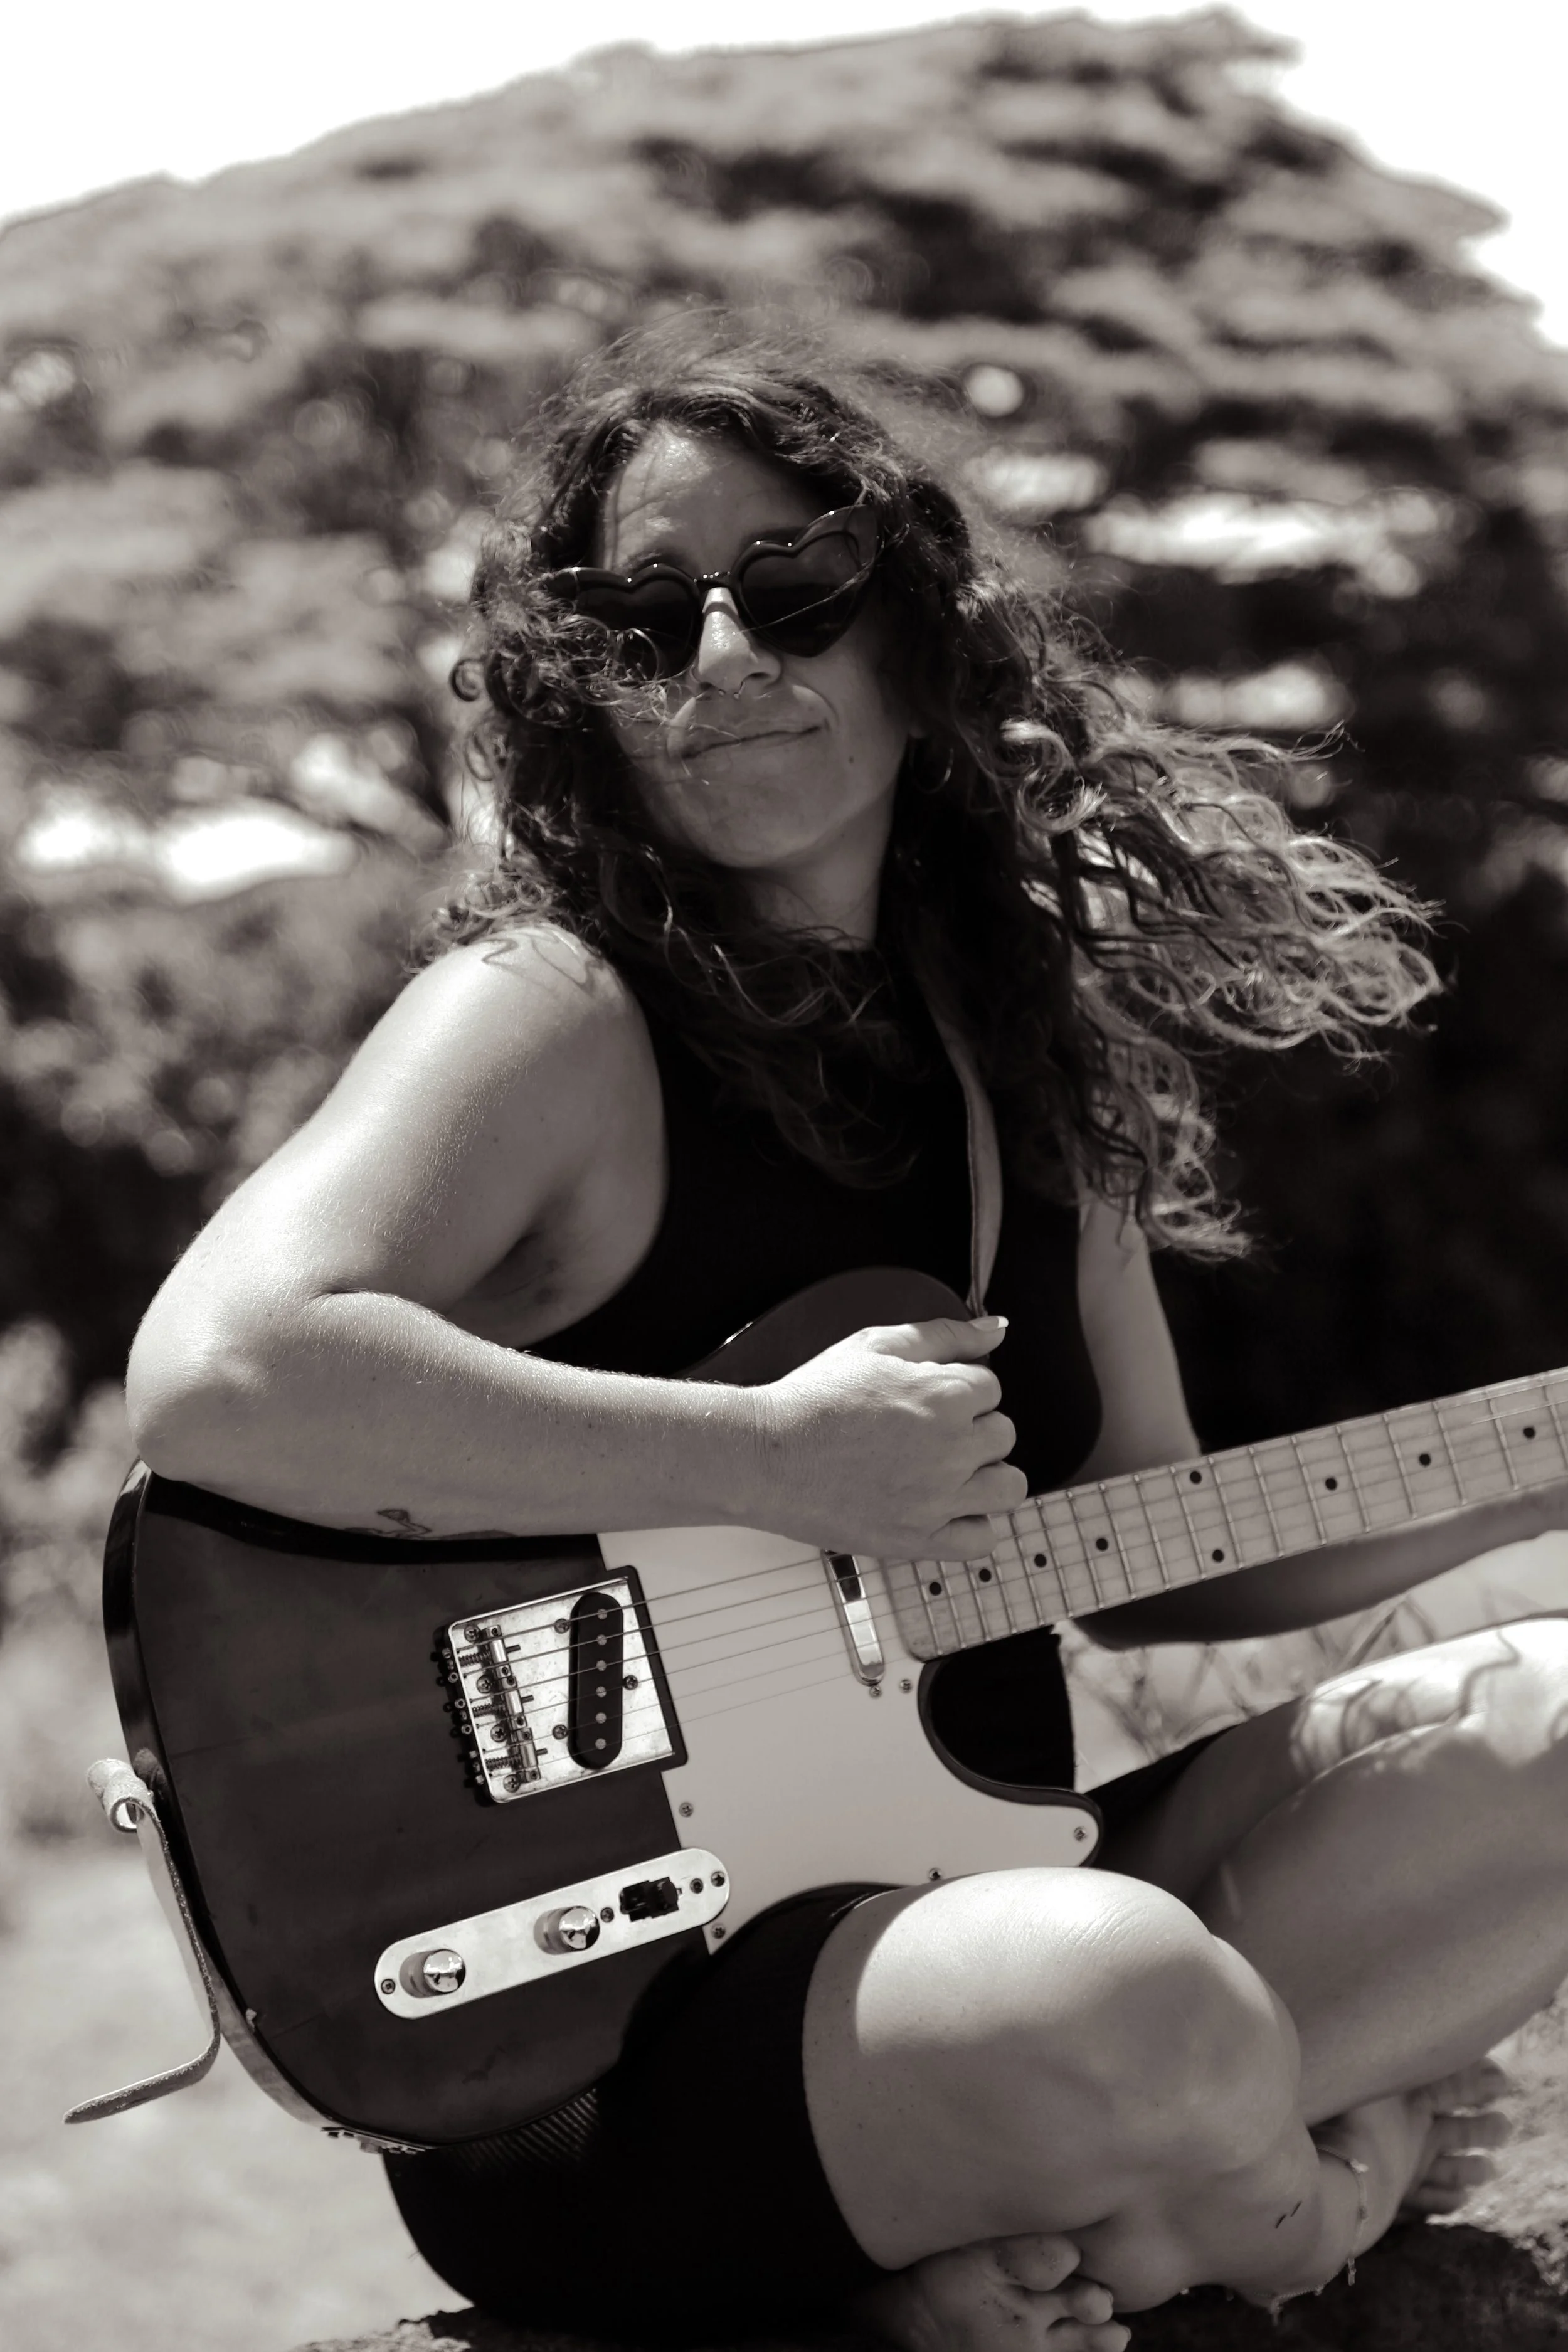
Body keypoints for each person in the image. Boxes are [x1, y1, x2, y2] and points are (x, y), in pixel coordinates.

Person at [126, 320, 1568, 2348]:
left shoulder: (1018, 1074)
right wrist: (763, 1464)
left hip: (981, 1894)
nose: (720, 660)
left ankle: (1084, 2210)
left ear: (918, 632)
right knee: (1117, 1996)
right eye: (643, 618)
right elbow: (222, 1371)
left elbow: (1152, 1546)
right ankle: (1280, 2206)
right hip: (620, 2043)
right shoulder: (549, 1010)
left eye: (788, 587)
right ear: (587, 694)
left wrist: (1539, 1451)